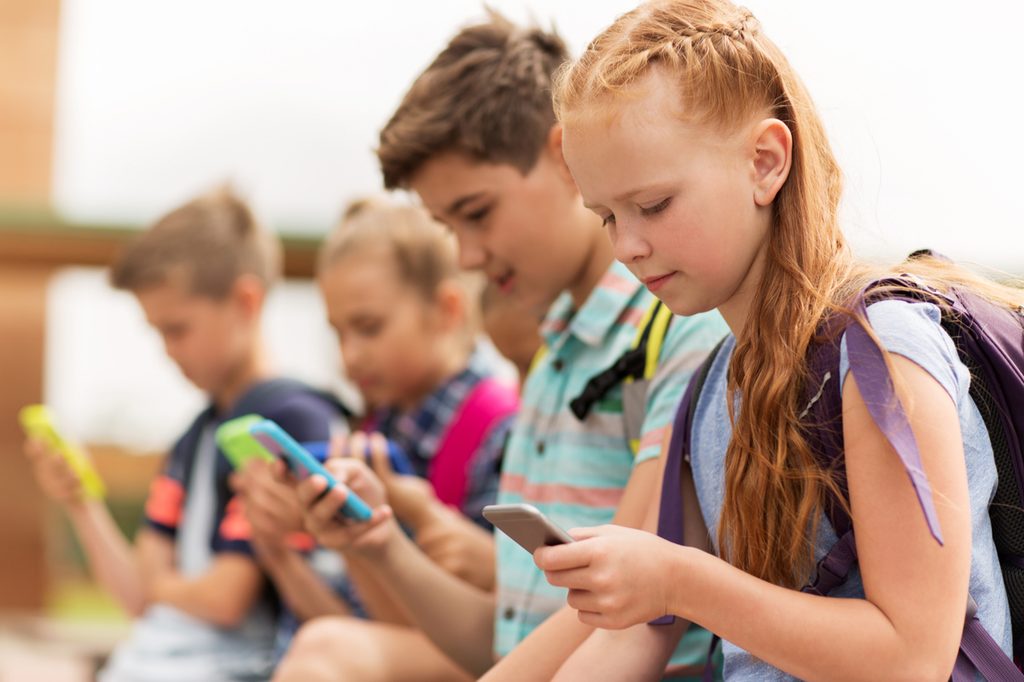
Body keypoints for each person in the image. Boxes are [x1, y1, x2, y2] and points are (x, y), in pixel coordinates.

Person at [529, 1, 1022, 679]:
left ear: (765, 161)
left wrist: (678, 580)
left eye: (653, 205)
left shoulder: (881, 354)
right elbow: (641, 633)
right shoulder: (707, 391)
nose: (627, 246)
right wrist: (659, 585)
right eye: (606, 216)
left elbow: (912, 656)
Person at [278, 10, 728, 681]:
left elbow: (634, 631)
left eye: (477, 213)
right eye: (445, 224)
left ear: (565, 156)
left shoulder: (675, 329)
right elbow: (508, 644)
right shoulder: (552, 356)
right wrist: (379, 547)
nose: (464, 252)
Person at [24, 188, 345, 681]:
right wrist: (78, 500)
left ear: (245, 301)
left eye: (178, 329)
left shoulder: (289, 424)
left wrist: (159, 583)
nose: (167, 351)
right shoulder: (194, 436)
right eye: (157, 332)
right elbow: (136, 594)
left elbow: (225, 599)